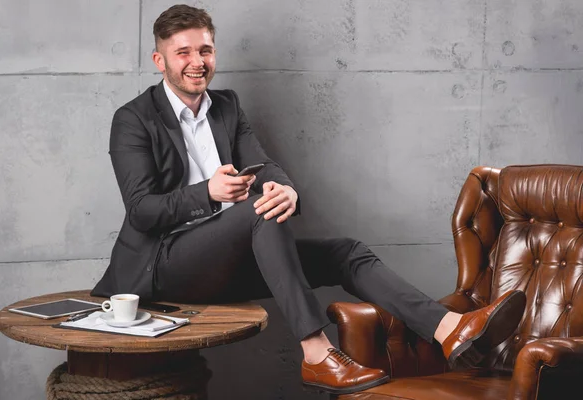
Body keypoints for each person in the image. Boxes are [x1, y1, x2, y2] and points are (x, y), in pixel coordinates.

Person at [91, 4, 527, 395]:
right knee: (258, 211)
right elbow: (143, 211)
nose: (196, 62)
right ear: (160, 60)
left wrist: (288, 189)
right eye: (183, 52)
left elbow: (262, 164)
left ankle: (450, 329)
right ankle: (317, 353)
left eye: (204, 50)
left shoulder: (225, 106)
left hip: (224, 260)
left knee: (345, 251)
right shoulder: (132, 119)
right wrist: (206, 192)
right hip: (161, 268)